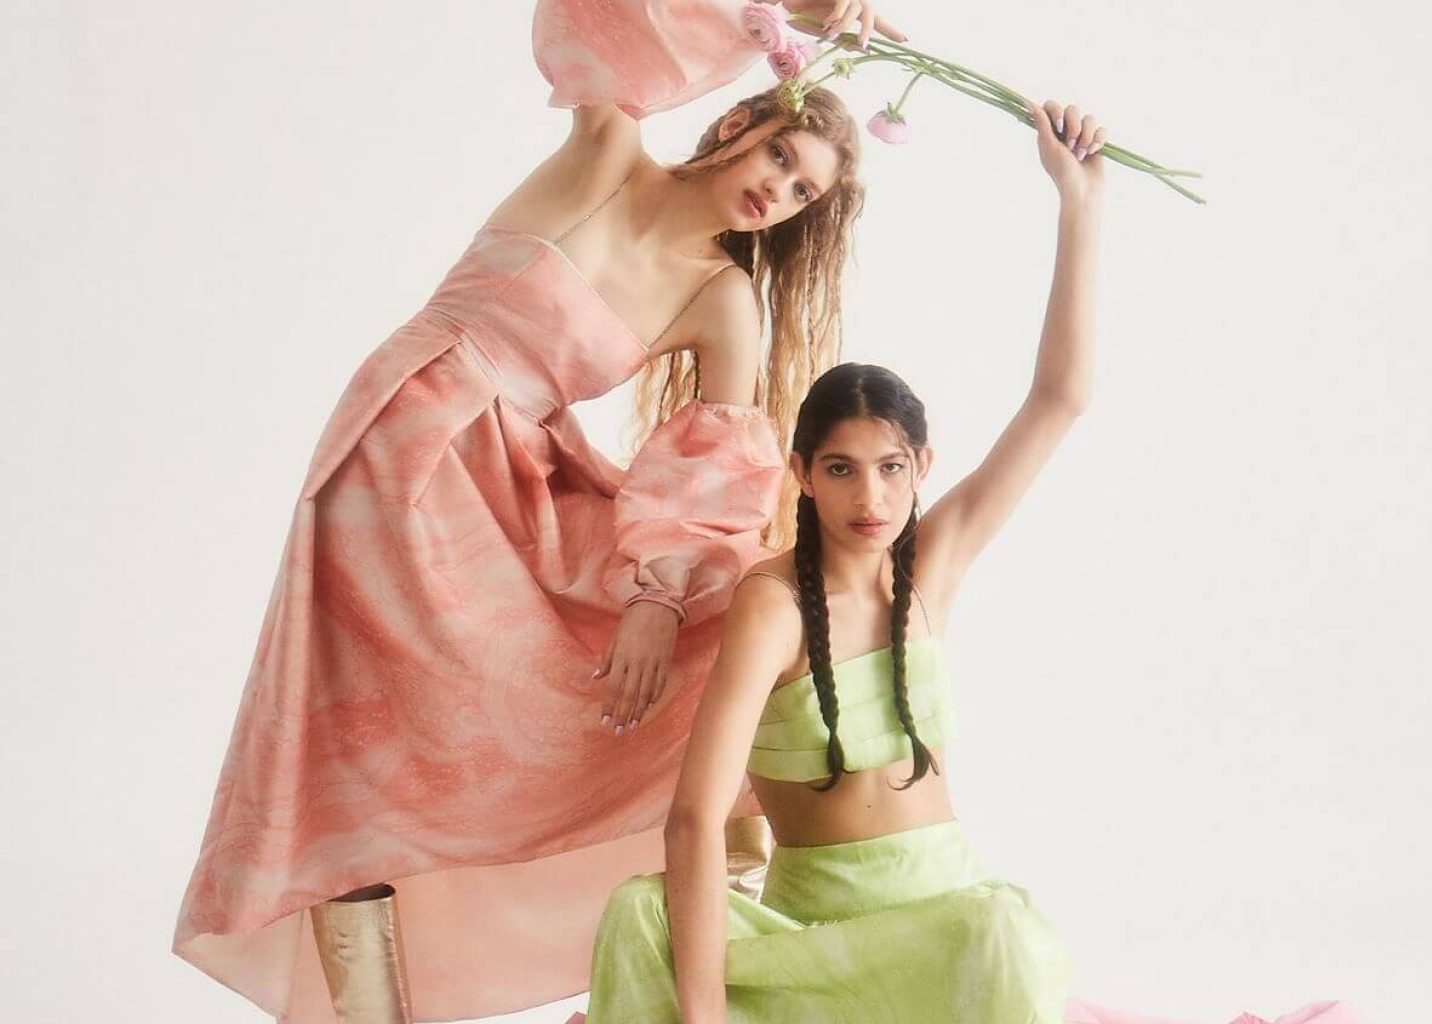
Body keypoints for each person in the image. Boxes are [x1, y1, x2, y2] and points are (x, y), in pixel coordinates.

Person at [171, 1, 905, 1021]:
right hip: (401, 440)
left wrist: (654, 594)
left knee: (737, 604)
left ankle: (728, 908)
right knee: (347, 738)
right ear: (738, 124)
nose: (774, 191)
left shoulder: (719, 298)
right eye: (779, 156)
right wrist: (777, 18)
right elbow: (600, 22)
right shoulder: (608, 155)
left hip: (510, 477)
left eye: (798, 192)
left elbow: (713, 475)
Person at [581, 98, 1109, 1023]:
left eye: (890, 470)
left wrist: (1078, 205)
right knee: (638, 914)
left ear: (920, 471)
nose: (870, 500)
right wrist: (703, 1018)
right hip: (809, 950)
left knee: (1005, 933)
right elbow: (697, 817)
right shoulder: (775, 602)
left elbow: (1060, 397)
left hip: (938, 934)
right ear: (802, 475)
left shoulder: (932, 564)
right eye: (840, 470)